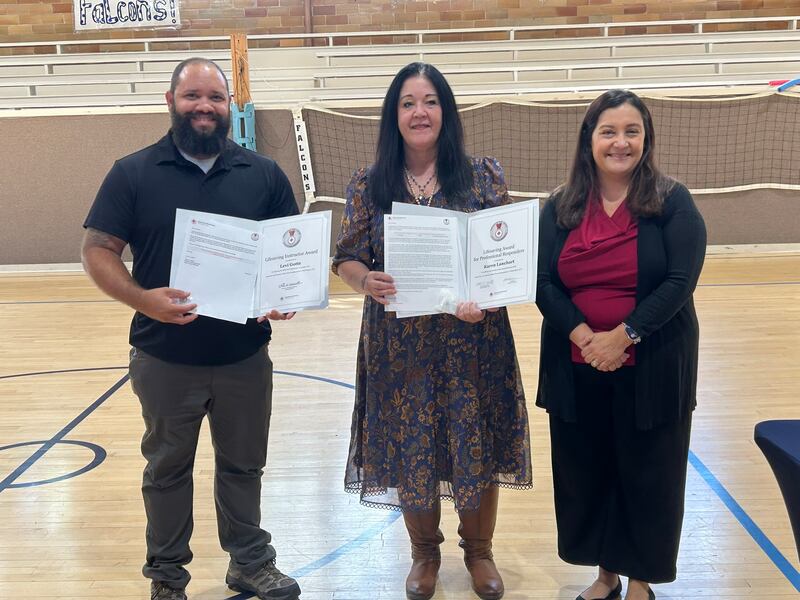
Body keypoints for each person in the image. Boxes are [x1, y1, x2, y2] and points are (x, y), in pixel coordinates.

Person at [81, 58, 301, 600]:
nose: (204, 107)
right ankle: (167, 577)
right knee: (166, 471)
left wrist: (282, 295)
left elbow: (290, 254)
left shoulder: (263, 174)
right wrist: (142, 300)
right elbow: (96, 251)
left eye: (216, 98)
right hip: (164, 357)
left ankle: (250, 562)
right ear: (170, 101)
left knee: (244, 466)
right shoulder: (132, 172)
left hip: (244, 357)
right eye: (192, 96)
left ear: (231, 107)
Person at [332, 62, 532, 600]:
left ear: (446, 110)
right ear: (393, 116)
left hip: (473, 340)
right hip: (398, 345)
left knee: (475, 440)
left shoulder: (483, 175)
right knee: (410, 441)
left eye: (430, 101)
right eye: (407, 103)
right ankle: (424, 553)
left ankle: (479, 551)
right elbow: (347, 256)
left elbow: (503, 259)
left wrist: (486, 301)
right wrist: (365, 279)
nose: (419, 112)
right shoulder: (368, 184)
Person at [535, 89, 707, 600]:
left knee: (649, 472)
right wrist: (584, 335)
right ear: (589, 139)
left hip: (652, 361)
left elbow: (680, 280)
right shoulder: (561, 205)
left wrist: (624, 336)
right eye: (608, 131)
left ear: (646, 138)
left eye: (632, 131)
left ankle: (640, 582)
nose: (620, 142)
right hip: (576, 361)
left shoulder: (672, 201)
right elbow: (542, 280)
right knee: (588, 470)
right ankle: (606, 575)